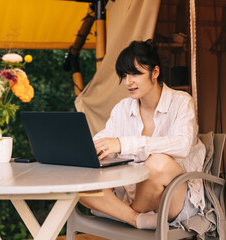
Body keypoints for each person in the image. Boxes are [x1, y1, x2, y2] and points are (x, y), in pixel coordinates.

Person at [79, 39, 206, 229]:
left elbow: (182, 145)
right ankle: (136, 219)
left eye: (135, 74)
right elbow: (103, 142)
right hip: (134, 197)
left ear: (155, 72)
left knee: (157, 163)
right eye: (124, 75)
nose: (128, 82)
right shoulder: (122, 109)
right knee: (80, 185)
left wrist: (124, 144)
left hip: (174, 197)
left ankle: (123, 214)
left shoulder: (181, 101)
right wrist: (84, 152)